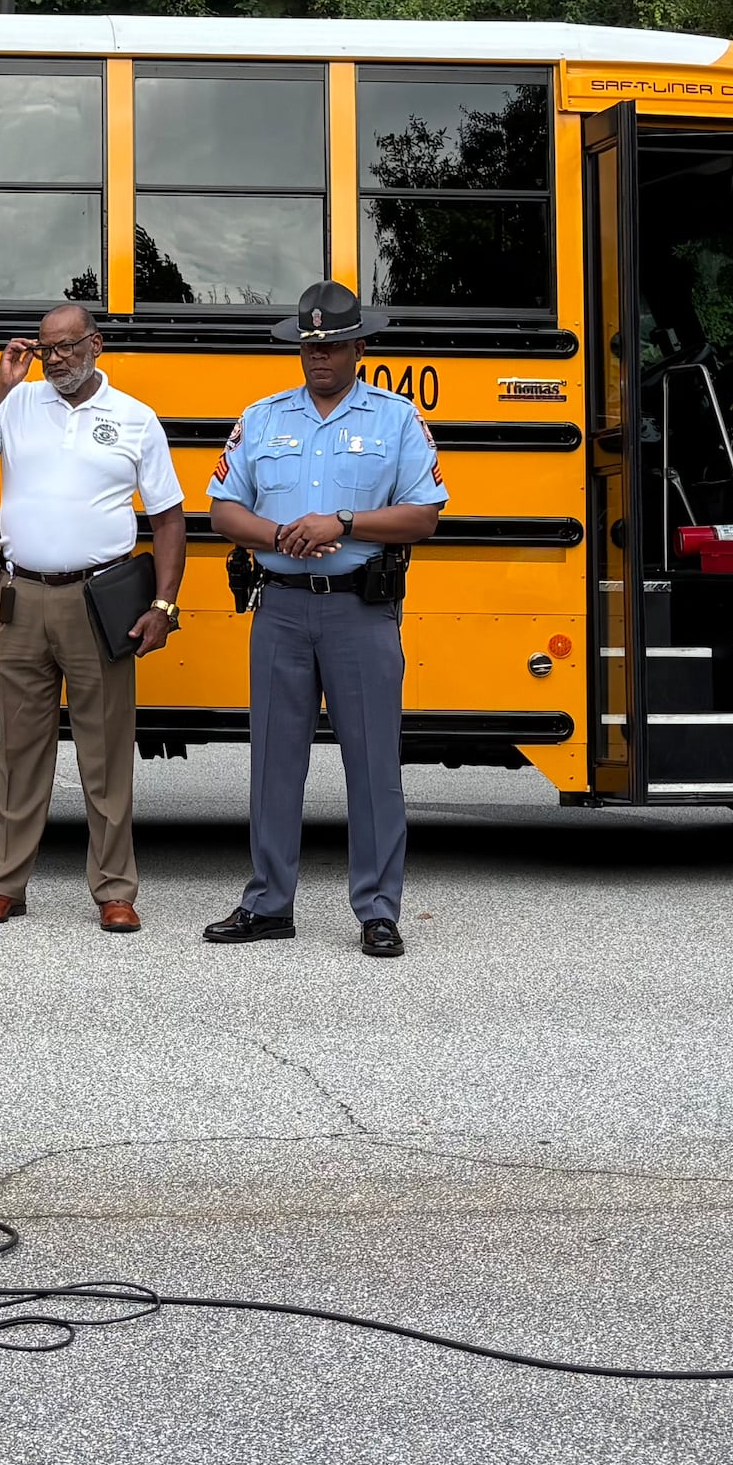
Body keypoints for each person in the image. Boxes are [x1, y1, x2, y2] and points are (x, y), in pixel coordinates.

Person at [202, 282, 446, 959]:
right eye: (310, 346)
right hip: (279, 606)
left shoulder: (395, 419)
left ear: (359, 347)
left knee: (373, 765)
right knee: (274, 763)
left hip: (359, 612)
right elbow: (223, 508)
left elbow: (424, 515)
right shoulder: (262, 417)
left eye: (333, 345)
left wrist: (341, 520)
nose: (320, 358)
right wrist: (281, 535)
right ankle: (268, 902)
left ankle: (377, 910)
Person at [0, 302, 184, 933]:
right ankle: (5, 885)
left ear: (96, 345)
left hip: (98, 602)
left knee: (106, 754)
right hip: (21, 601)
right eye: (47, 348)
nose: (57, 359)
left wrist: (163, 604)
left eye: (69, 347)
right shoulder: (16, 404)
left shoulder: (134, 418)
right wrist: (0, 383)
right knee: (19, 751)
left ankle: (114, 889)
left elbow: (168, 518)